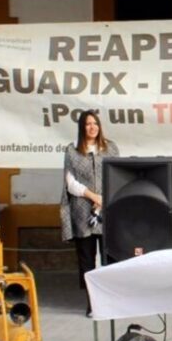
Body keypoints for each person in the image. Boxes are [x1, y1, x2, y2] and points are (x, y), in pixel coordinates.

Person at [60, 110, 119, 317]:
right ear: (82, 128)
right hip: (82, 211)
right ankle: (92, 303)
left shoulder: (110, 148)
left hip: (107, 211)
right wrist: (93, 197)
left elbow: (117, 175)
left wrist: (104, 199)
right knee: (86, 259)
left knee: (109, 257)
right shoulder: (72, 150)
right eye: (87, 124)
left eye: (95, 123)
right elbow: (71, 183)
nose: (92, 127)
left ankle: (110, 301)